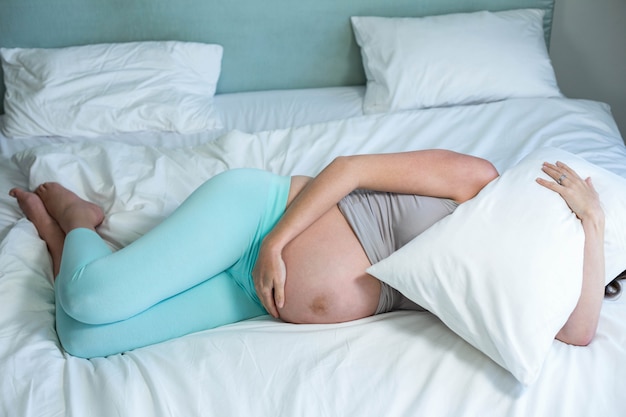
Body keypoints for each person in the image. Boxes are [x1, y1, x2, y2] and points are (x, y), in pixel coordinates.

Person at [8, 150, 620, 357]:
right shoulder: (478, 179)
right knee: (91, 298)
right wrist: (274, 243)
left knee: (86, 338)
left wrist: (594, 228)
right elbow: (350, 169)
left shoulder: (510, 284)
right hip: (257, 219)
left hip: (256, 296)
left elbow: (578, 332)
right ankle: (70, 215)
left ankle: (70, 235)